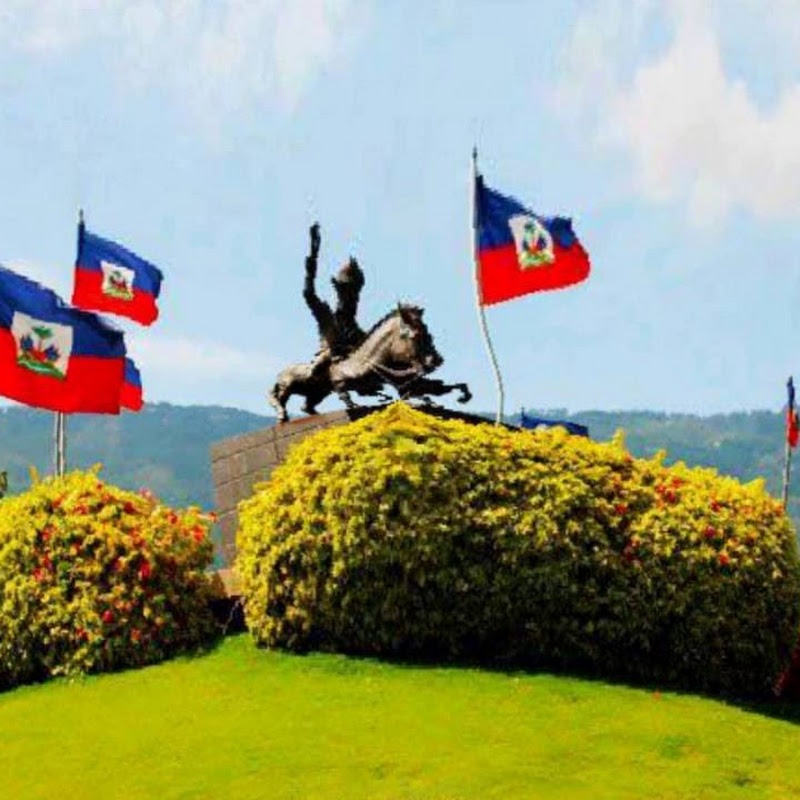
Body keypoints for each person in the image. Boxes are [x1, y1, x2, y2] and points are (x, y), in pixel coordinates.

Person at [303, 223, 366, 376]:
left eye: (354, 293)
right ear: (339, 292)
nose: (352, 298)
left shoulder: (360, 336)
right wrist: (313, 256)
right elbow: (309, 294)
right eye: (347, 292)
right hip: (322, 372)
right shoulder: (327, 316)